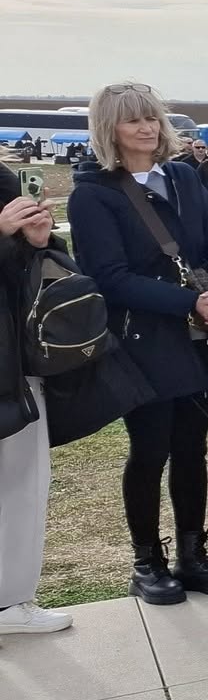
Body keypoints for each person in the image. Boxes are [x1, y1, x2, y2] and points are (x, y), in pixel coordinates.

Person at [67, 82, 208, 603]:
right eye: (133, 120)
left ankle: (193, 556)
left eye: (151, 118)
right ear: (110, 129)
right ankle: (147, 562)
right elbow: (110, 277)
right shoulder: (93, 194)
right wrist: (189, 302)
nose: (147, 128)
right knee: (150, 451)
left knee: (192, 448)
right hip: (143, 340)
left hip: (200, 335)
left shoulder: (183, 177)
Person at [0, 161, 71, 633]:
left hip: (13, 362)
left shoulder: (3, 180)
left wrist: (38, 241)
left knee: (23, 481)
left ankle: (11, 601)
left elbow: (27, 279)